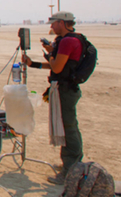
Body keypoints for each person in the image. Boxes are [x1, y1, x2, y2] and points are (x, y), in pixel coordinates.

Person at [22, 11, 84, 184]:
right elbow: (57, 66)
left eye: (54, 23)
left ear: (63, 23)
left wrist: (50, 52)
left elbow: (56, 67)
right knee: (68, 125)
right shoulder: (71, 40)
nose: (51, 26)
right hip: (65, 88)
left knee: (68, 127)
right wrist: (33, 63)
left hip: (64, 90)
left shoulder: (67, 41)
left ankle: (70, 169)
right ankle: (71, 163)